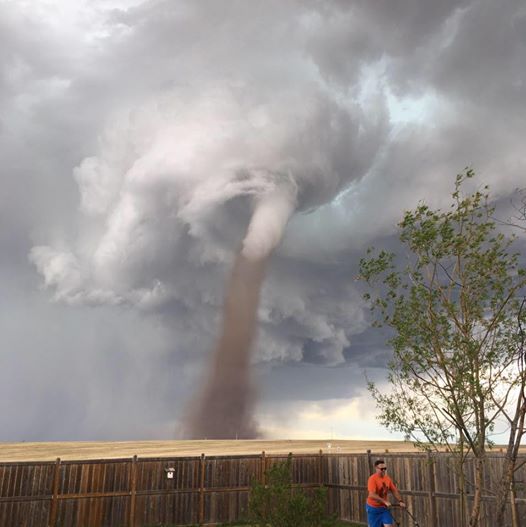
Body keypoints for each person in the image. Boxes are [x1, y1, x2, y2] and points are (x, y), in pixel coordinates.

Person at [366, 459, 406, 527]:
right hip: (373, 508)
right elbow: (371, 495)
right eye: (382, 469)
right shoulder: (372, 479)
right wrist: (384, 501)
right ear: (376, 468)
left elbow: (394, 490)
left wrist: (400, 501)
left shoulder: (387, 479)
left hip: (384, 508)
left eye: (385, 468)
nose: (384, 470)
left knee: (388, 525)